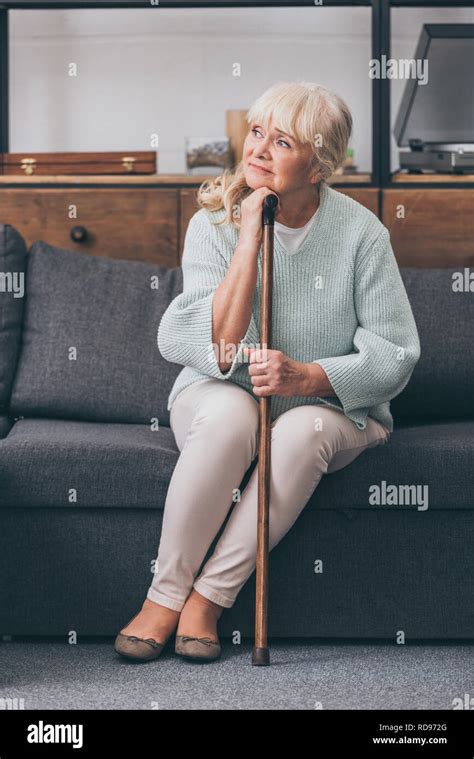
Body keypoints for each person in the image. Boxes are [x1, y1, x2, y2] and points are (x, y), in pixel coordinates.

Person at [114, 81, 421, 663]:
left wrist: (305, 379)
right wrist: (251, 233)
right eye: (257, 133)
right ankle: (164, 597)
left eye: (282, 141)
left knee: (301, 430)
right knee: (233, 415)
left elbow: (395, 354)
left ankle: (209, 597)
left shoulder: (363, 235)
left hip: (330, 412)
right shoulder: (214, 223)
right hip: (218, 397)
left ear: (320, 164)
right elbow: (205, 343)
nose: (257, 150)